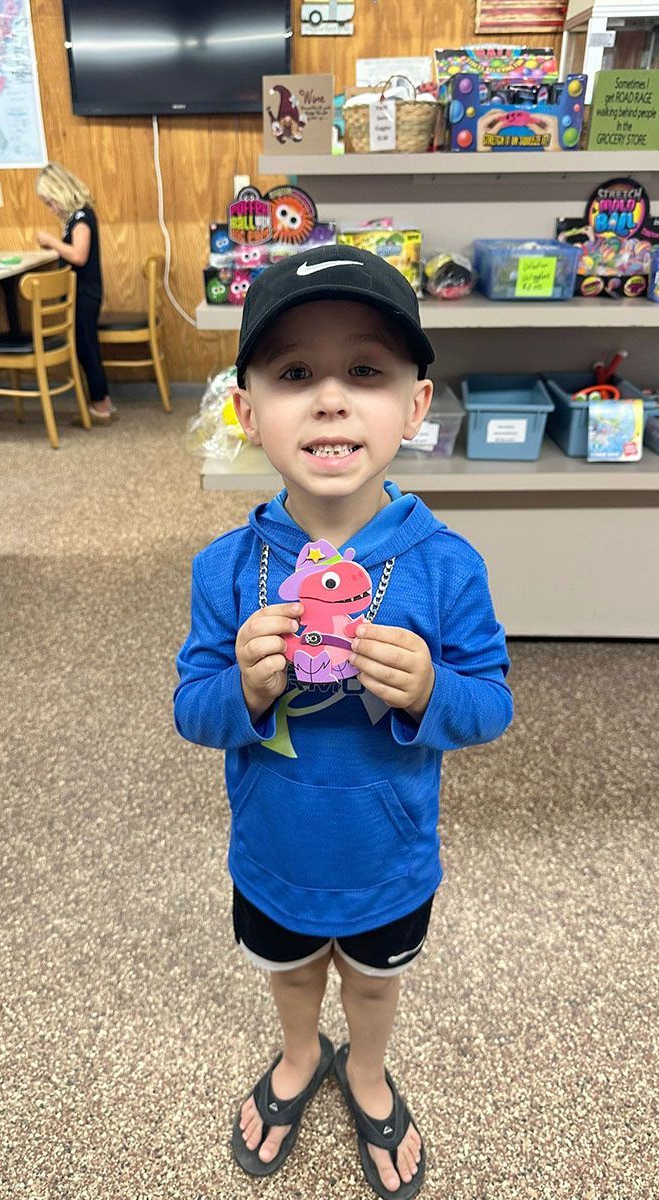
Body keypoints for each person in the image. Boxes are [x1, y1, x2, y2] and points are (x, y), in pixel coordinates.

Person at [173, 246, 513, 1199]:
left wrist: (428, 693)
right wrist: (241, 688)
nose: (330, 399)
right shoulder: (224, 570)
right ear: (247, 410)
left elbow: (492, 705)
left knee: (371, 980)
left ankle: (364, 1069)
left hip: (390, 859)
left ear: (414, 406)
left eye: (365, 371)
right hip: (272, 852)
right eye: (293, 374)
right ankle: (296, 1056)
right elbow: (190, 712)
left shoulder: (448, 565)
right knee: (288, 974)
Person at [35, 162, 115, 423]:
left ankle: (100, 405)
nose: (50, 208)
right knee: (86, 346)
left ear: (60, 193)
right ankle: (102, 401)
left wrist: (52, 242)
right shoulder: (76, 218)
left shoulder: (81, 218)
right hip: (81, 294)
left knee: (87, 347)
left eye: (49, 202)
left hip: (84, 294)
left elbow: (79, 256)